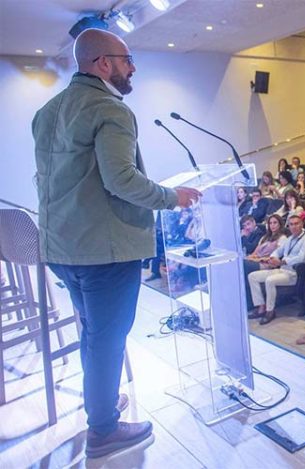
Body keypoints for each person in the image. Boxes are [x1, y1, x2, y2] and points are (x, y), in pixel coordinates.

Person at [32, 28, 202, 458]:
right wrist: (171, 198)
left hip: (62, 248)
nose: (133, 68)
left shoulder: (48, 112)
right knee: (107, 339)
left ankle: (101, 406)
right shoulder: (110, 109)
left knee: (94, 334)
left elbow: (46, 180)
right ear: (102, 64)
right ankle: (103, 430)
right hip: (104, 251)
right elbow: (121, 179)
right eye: (126, 60)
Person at [248, 215, 305, 324]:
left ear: (302, 224)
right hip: (282, 270)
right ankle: (261, 307)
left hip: (294, 274)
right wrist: (273, 258)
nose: (293, 227)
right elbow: (278, 251)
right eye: (291, 224)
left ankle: (270, 311)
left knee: (270, 280)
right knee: (252, 276)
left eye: (296, 224)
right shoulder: (290, 239)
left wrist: (282, 261)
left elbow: (301, 258)